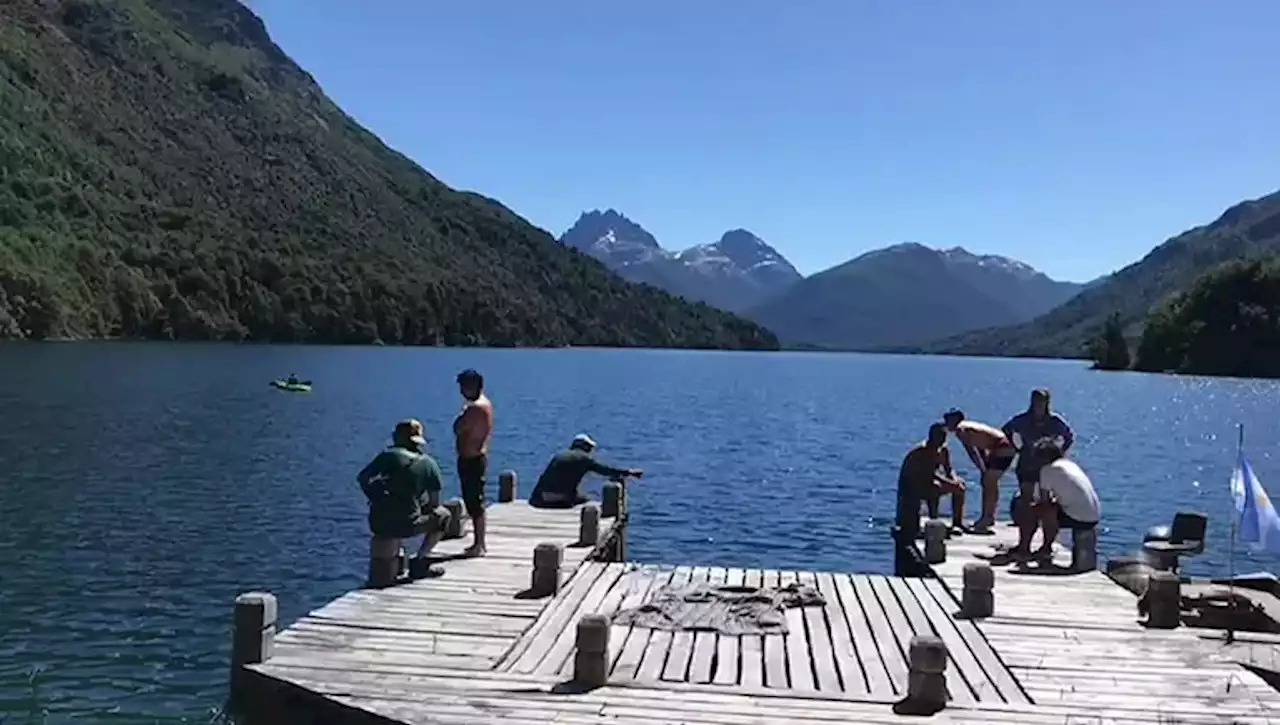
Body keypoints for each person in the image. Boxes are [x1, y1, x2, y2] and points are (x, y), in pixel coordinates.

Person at [356, 419, 450, 580]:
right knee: (444, 516)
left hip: (379, 523)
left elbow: (363, 478)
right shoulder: (429, 464)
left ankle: (396, 560)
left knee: (393, 513)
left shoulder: (388, 456)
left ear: (396, 437)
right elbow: (434, 503)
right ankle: (420, 560)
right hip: (409, 526)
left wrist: (376, 497)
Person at [1002, 388, 1075, 556]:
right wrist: (1016, 447)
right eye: (1036, 401)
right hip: (1027, 464)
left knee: (1047, 504)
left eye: (1042, 401)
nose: (1039, 405)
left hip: (1046, 466)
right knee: (1026, 504)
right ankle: (1024, 544)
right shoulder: (1023, 420)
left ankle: (1046, 546)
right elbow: (1006, 430)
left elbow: (1069, 436)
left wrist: (1058, 452)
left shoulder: (1054, 421)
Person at [943, 409, 1016, 534]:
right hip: (999, 446)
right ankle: (987, 516)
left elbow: (971, 451)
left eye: (948, 420)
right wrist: (983, 466)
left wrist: (981, 467)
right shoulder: (969, 427)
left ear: (954, 420)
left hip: (1002, 447)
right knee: (988, 481)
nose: (946, 423)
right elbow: (980, 448)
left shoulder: (961, 429)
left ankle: (987, 518)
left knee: (989, 481)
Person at [1027, 438, 1099, 561]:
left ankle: (1043, 548)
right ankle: (1046, 547)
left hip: (1079, 518)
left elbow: (1045, 501)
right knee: (1049, 508)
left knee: (1041, 510)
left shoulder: (1047, 470)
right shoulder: (1070, 464)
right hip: (1093, 515)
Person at [530, 434, 643, 508]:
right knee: (587, 500)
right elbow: (606, 470)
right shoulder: (584, 459)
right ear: (586, 447)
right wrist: (630, 472)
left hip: (542, 496)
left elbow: (543, 478)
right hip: (561, 497)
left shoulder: (559, 456)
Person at [896, 422, 966, 534]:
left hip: (928, 482)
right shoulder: (922, 451)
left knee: (960, 485)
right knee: (935, 487)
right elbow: (929, 474)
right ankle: (934, 520)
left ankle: (957, 523)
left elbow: (948, 469)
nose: (942, 439)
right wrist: (950, 483)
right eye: (940, 436)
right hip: (911, 486)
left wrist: (955, 480)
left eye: (944, 436)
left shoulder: (943, 450)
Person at [453, 369, 493, 558]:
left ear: (472, 386)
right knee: (474, 502)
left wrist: (462, 414)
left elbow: (458, 427)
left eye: (463, 386)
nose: (461, 391)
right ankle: (478, 543)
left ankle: (479, 545)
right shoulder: (484, 403)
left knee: (475, 503)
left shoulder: (474, 408)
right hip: (475, 457)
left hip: (471, 459)